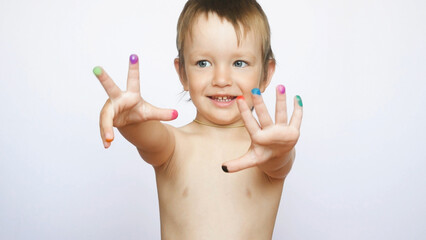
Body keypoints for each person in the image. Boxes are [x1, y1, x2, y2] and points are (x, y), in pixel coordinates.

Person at [93, 0, 303, 239]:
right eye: (203, 63)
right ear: (183, 73)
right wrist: (130, 119)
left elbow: (279, 162)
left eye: (239, 63)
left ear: (266, 74)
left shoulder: (269, 150)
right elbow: (148, 137)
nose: (221, 79)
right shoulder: (174, 145)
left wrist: (280, 152)